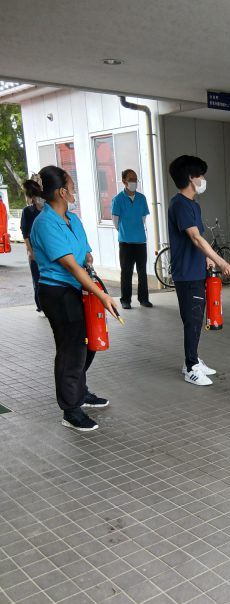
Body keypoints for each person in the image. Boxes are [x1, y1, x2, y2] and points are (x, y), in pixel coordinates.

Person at [29, 166, 120, 432]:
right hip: (58, 293)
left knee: (89, 343)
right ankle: (71, 410)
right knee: (71, 349)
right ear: (61, 192)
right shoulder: (45, 224)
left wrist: (88, 257)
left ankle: (80, 390)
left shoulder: (72, 219)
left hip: (78, 289)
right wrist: (102, 294)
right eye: (71, 186)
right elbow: (70, 265)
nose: (74, 191)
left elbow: (83, 254)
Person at [167, 155, 230, 386]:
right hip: (186, 273)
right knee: (193, 320)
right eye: (201, 175)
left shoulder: (193, 205)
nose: (203, 179)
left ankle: (193, 359)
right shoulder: (179, 205)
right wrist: (222, 262)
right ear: (190, 178)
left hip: (197, 270)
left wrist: (208, 258)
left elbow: (200, 237)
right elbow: (195, 238)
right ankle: (190, 368)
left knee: (196, 318)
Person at [111, 169, 152, 310]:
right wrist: (125, 231)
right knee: (126, 272)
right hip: (125, 242)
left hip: (140, 241)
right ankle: (125, 300)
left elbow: (143, 218)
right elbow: (115, 221)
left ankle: (144, 299)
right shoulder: (117, 199)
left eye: (135, 179)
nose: (134, 182)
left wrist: (135, 229)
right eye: (131, 179)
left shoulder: (142, 198)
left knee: (142, 272)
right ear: (124, 181)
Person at [20, 176, 46, 315]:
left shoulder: (48, 209)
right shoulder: (28, 212)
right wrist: (30, 251)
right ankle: (41, 306)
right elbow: (25, 233)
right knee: (38, 279)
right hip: (35, 251)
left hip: (49, 249)